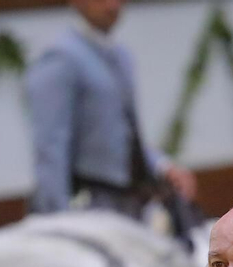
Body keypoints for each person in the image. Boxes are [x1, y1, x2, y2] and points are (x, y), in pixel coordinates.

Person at [24, 0, 197, 218]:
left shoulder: (120, 55)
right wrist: (59, 218)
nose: (112, 5)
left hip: (132, 199)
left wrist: (162, 166)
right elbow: (50, 147)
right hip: (88, 200)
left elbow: (122, 134)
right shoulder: (59, 58)